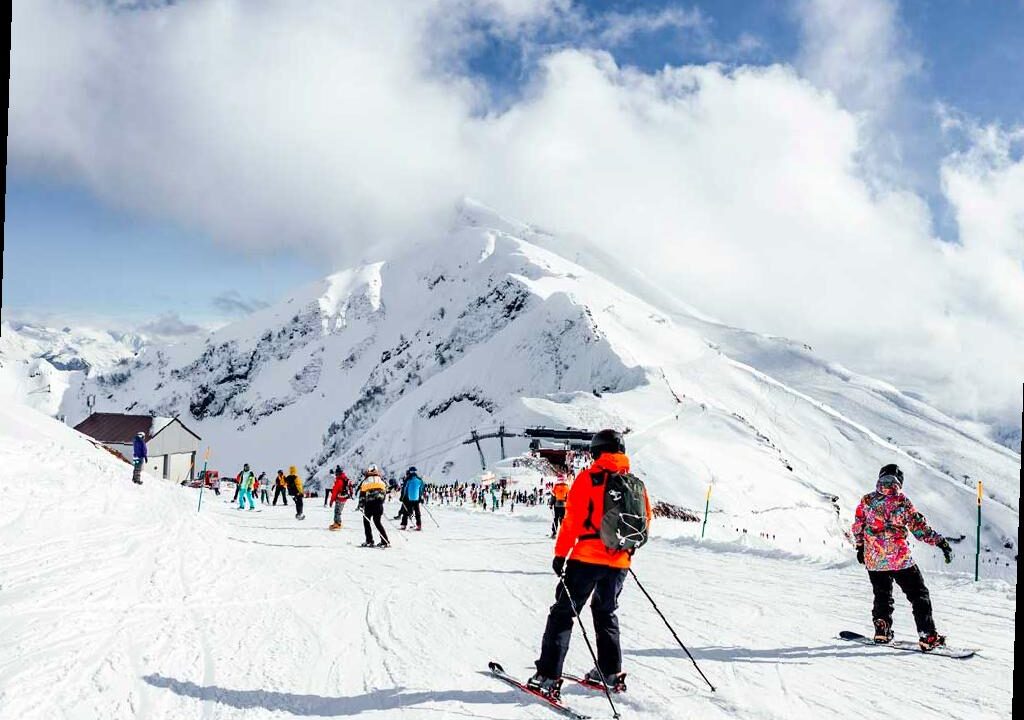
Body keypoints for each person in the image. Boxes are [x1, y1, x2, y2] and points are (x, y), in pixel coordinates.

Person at [528, 429, 652, 699]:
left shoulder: (589, 479)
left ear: (597, 452)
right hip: (619, 560)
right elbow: (645, 523)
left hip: (586, 558)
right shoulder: (635, 483)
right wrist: (623, 553)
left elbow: (571, 521)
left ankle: (547, 676)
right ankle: (610, 672)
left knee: (563, 613)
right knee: (606, 613)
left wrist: (561, 555)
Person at [852, 463, 952, 651]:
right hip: (898, 558)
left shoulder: (867, 500)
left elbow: (858, 525)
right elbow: (919, 528)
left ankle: (882, 629)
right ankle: (927, 636)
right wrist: (940, 542)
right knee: (919, 594)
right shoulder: (902, 502)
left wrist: (860, 547)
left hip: (874, 558)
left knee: (882, 595)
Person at [357, 464, 390, 547]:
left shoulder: (366, 481)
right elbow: (385, 492)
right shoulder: (381, 481)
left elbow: (362, 495)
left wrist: (360, 505)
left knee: (366, 521)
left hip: (369, 505)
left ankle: (369, 541)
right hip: (379, 505)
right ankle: (385, 541)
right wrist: (381, 502)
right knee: (378, 522)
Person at [328, 466, 352, 531]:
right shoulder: (346, 479)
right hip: (345, 498)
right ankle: (338, 523)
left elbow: (334, 492)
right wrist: (351, 494)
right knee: (339, 511)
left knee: (337, 511)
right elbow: (350, 487)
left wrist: (331, 501)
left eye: (336, 473)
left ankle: (337, 524)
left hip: (339, 498)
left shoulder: (339, 481)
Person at [400, 467, 424, 531]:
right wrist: (421, 497)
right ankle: (419, 525)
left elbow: (404, 489)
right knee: (417, 512)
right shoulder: (419, 480)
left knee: (406, 512)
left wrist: (402, 497)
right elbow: (421, 490)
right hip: (416, 499)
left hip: (409, 499)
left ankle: (403, 525)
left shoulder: (408, 480)